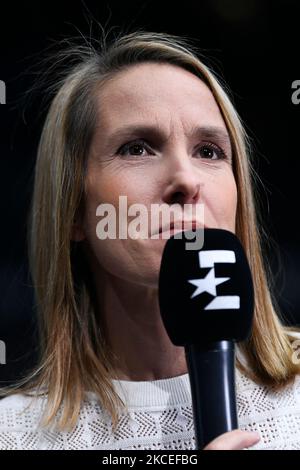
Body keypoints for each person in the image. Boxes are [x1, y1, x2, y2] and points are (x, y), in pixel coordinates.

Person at [1, 29, 300, 451]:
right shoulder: (12, 436)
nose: (185, 179)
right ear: (72, 210)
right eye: (137, 148)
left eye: (209, 151)